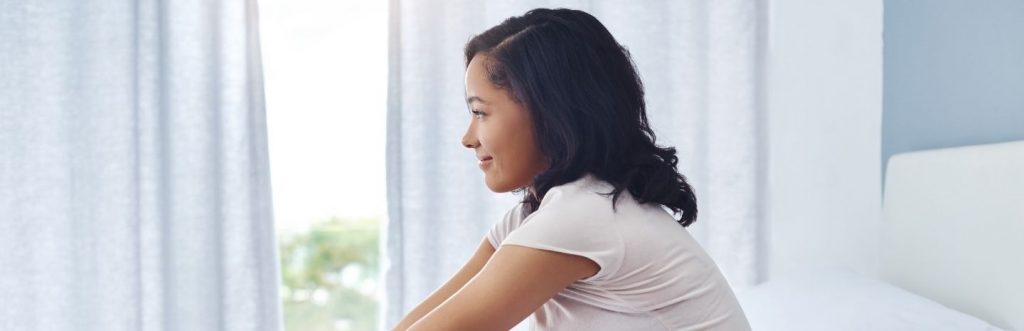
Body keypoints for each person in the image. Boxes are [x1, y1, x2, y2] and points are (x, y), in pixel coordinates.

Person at [393, 8, 751, 331]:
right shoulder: (537, 216)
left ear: (549, 113)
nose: (468, 138)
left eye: (480, 113)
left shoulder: (584, 214)